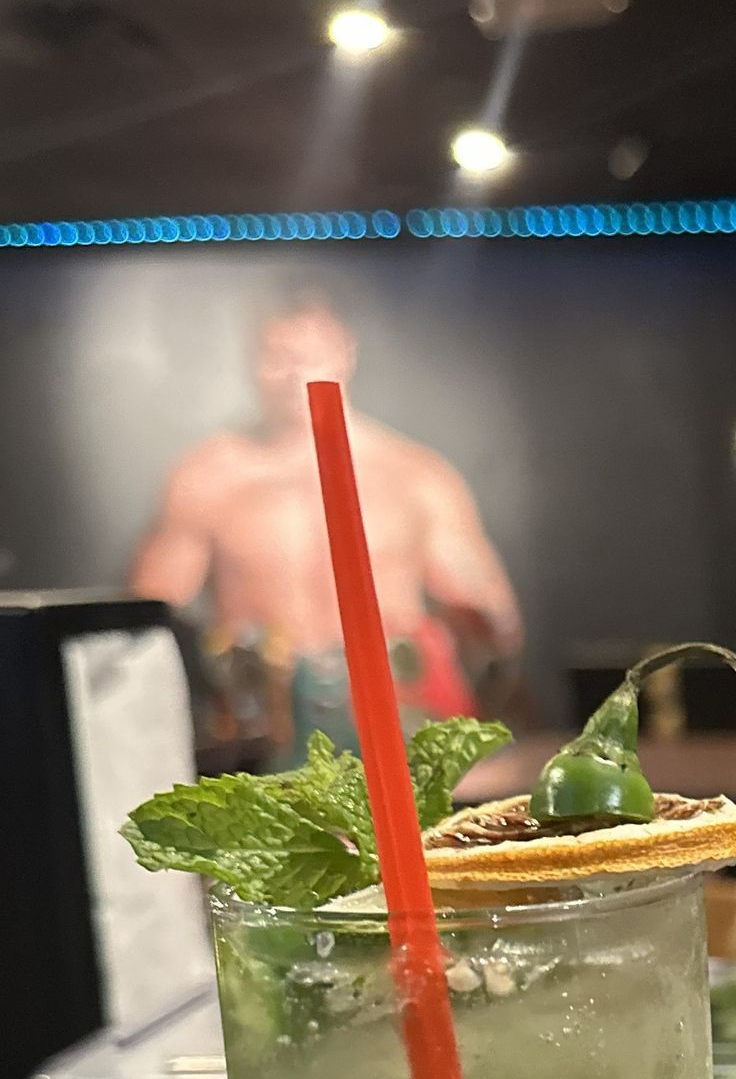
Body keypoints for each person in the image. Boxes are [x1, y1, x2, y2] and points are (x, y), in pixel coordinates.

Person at [129, 279, 523, 764]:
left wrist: (473, 631)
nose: (294, 372)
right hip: (267, 720)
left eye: (311, 354)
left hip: (397, 710)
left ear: (346, 352)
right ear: (251, 360)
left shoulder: (415, 476)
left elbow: (491, 619)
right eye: (277, 355)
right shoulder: (209, 477)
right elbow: (148, 619)